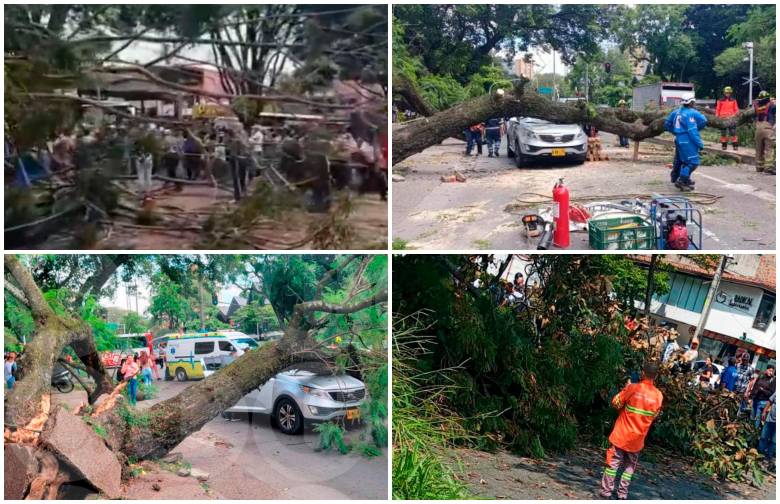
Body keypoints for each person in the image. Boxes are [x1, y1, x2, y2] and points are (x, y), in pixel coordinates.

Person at [598, 361, 663, 500]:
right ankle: (622, 494)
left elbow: (616, 403)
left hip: (621, 435)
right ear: (656, 376)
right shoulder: (658, 396)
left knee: (613, 464)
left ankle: (606, 492)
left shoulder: (633, 388)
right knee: (629, 467)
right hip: (637, 439)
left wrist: (624, 390)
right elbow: (654, 416)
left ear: (643, 373)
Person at [664, 97, 707, 191]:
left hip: (678, 139)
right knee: (693, 162)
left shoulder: (676, 112)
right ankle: (681, 181)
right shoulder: (691, 113)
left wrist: (676, 132)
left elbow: (667, 124)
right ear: (691, 102)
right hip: (687, 140)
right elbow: (697, 127)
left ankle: (682, 178)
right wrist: (699, 143)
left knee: (682, 160)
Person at [753, 90, 776, 174]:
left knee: (759, 149)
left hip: (758, 128)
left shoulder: (756, 106)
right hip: (767, 128)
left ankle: (759, 167)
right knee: (769, 148)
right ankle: (769, 168)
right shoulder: (772, 106)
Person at [715, 86, 740, 151]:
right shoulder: (720, 100)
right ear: (724, 93)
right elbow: (718, 109)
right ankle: (724, 145)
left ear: (730, 93)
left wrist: (737, 114)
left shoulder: (733, 100)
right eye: (726, 93)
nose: (727, 94)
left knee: (733, 132)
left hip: (731, 118)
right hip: (722, 118)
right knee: (723, 133)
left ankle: (735, 145)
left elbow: (736, 108)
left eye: (729, 93)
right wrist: (717, 116)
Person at [759, 392, 776, 469]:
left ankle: (768, 458)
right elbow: (770, 401)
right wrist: (764, 411)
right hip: (770, 419)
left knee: (774, 442)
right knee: (763, 437)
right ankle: (759, 456)